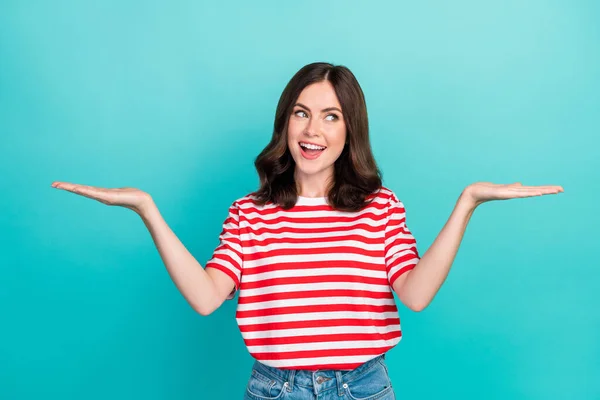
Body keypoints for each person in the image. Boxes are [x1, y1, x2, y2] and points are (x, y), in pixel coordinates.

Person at [51, 62, 563, 399]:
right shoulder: (250, 213)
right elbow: (208, 297)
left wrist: (467, 203)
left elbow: (416, 293)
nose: (312, 131)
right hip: (275, 389)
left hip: (363, 387)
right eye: (301, 114)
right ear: (285, 124)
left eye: (330, 117)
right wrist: (147, 210)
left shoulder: (380, 208)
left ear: (349, 130)